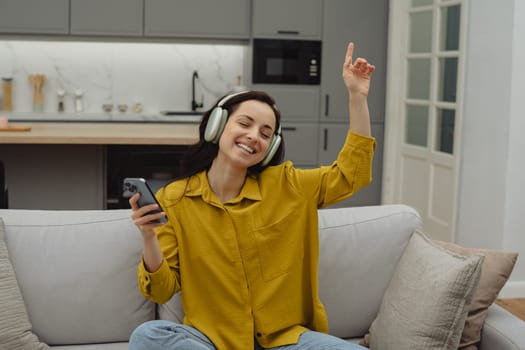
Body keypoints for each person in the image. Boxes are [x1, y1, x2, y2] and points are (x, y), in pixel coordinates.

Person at [128, 42, 376, 350]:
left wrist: (357, 98)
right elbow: (161, 292)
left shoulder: (289, 184)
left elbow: (352, 174)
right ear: (218, 126)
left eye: (265, 133)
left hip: (285, 341)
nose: (253, 136)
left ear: (270, 147)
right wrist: (149, 236)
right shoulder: (175, 199)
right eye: (244, 123)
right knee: (149, 335)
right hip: (212, 340)